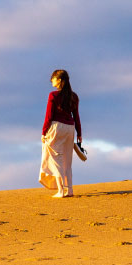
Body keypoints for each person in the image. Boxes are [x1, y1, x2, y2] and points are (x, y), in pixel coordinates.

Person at [39, 69, 82, 198]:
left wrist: (43, 132)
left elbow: (49, 116)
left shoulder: (53, 95)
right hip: (70, 128)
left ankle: (60, 190)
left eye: (53, 78)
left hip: (57, 127)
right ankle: (70, 190)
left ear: (59, 80)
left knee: (55, 158)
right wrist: (79, 133)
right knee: (67, 160)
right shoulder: (74, 96)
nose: (51, 80)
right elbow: (77, 116)